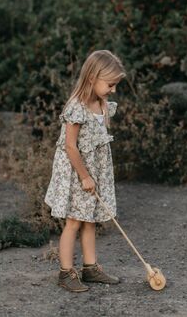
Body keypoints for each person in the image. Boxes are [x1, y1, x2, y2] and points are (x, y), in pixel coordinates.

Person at [44, 50, 126, 292]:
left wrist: (95, 175)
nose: (113, 90)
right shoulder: (76, 107)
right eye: (110, 84)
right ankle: (65, 273)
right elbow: (70, 146)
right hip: (77, 172)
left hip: (93, 172)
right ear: (92, 78)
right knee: (73, 222)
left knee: (90, 221)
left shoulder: (102, 104)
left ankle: (90, 268)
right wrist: (84, 176)